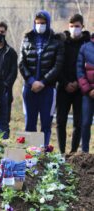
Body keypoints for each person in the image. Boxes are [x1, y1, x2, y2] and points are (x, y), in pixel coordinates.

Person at [19, 10, 64, 146]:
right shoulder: (26, 39)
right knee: (29, 124)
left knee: (46, 124)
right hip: (29, 88)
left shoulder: (56, 41)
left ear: (48, 23)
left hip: (48, 89)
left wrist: (43, 82)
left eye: (43, 23)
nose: (40, 25)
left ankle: (43, 154)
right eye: (37, 23)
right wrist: (32, 81)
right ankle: (30, 155)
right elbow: (21, 63)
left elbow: (58, 66)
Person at [56, 14, 90, 154]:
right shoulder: (62, 42)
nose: (74, 29)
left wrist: (78, 83)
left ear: (82, 27)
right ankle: (62, 152)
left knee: (79, 122)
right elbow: (57, 65)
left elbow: (87, 67)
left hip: (80, 89)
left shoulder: (87, 44)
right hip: (63, 87)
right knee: (60, 121)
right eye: (71, 26)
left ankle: (73, 152)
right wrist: (65, 83)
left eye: (77, 26)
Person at [77, 33, 94, 153]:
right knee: (85, 122)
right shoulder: (85, 47)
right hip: (88, 94)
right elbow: (79, 70)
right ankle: (85, 152)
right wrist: (88, 89)